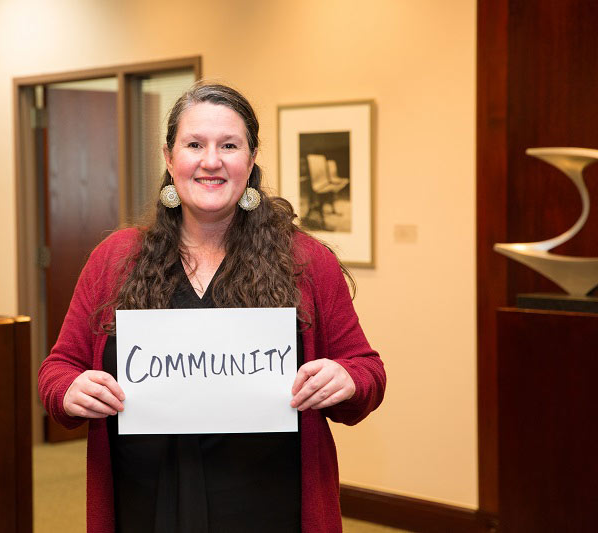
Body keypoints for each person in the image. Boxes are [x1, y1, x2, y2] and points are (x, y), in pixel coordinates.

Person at [38, 82, 386, 533]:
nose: (211, 161)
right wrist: (70, 391)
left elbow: (367, 370)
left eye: (229, 145)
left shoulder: (305, 261)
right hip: (143, 504)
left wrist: (347, 379)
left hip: (268, 505)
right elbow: (57, 369)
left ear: (252, 158)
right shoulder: (115, 258)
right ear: (169, 157)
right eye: (194, 144)